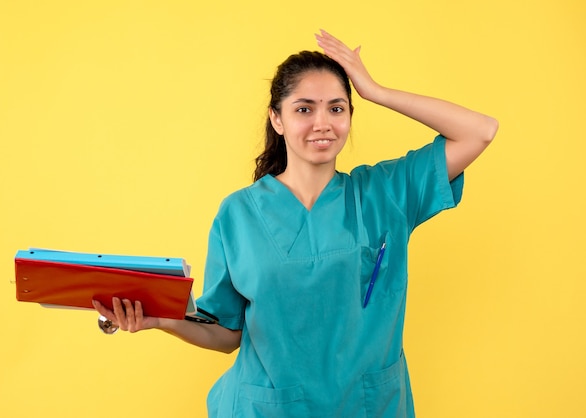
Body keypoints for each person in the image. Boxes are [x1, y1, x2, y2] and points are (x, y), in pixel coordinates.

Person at [93, 29, 498, 417]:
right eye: (304, 109)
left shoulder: (386, 193)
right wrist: (161, 319)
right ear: (277, 119)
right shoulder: (238, 214)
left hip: (367, 407)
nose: (323, 123)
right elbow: (226, 333)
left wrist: (376, 91)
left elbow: (480, 131)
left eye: (336, 108)